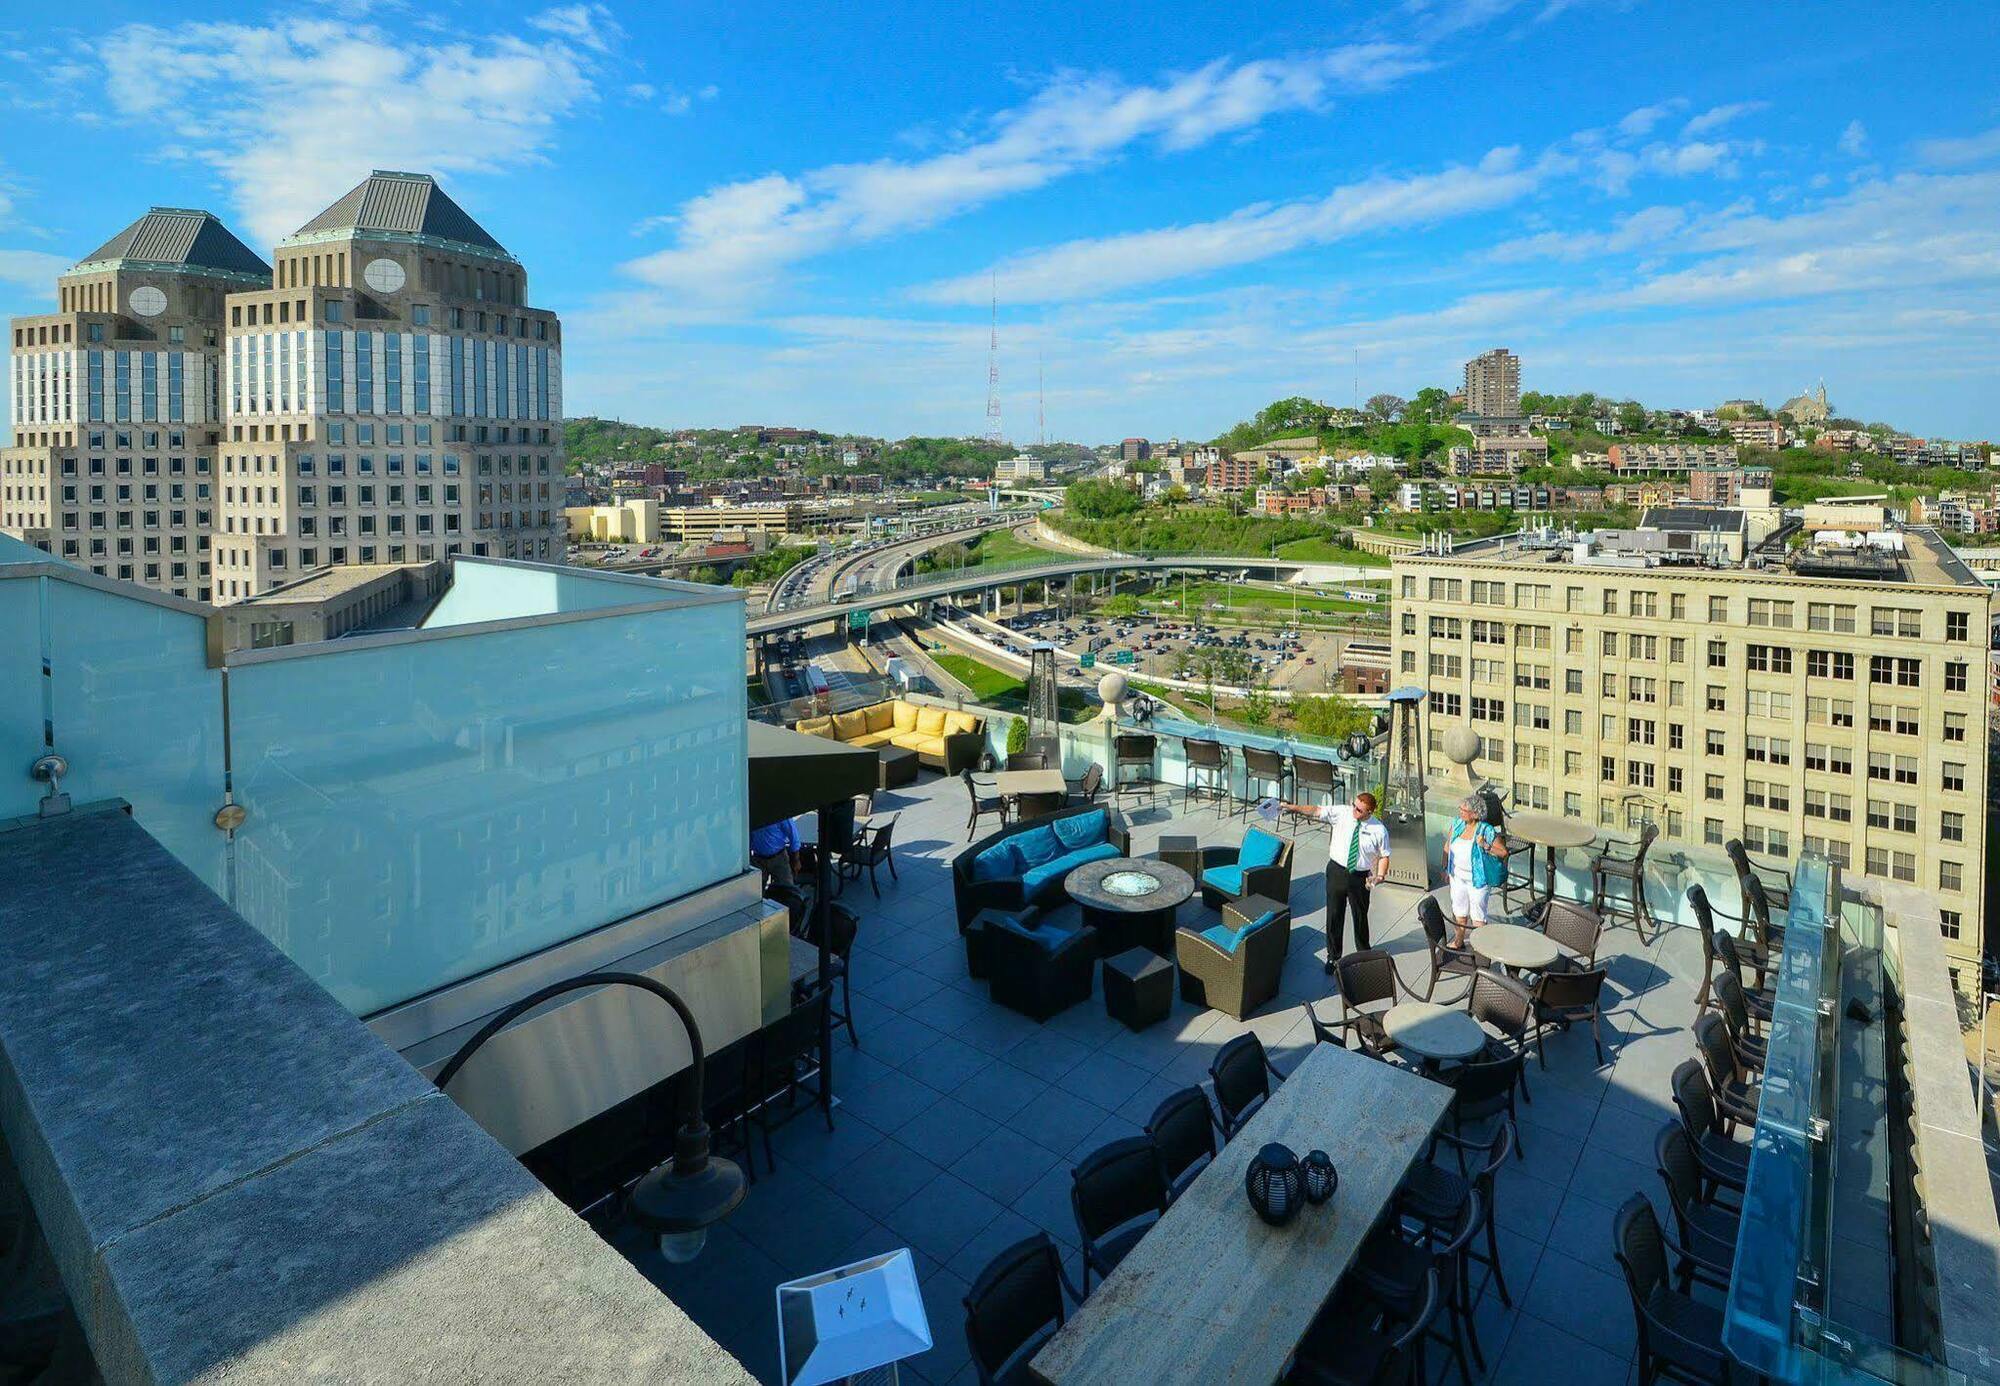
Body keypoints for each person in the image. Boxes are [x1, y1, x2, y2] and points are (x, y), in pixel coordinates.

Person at [1279, 789, 1390, 969]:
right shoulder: (1342, 813)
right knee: (1334, 914)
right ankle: (1334, 956)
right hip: (1337, 871)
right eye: (1354, 806)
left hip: (1360, 877)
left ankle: (1363, 953)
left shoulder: (1379, 830)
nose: (1354, 811)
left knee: (1360, 915)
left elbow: (1384, 855)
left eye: (1359, 810)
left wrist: (1379, 876)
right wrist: (1293, 808)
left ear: (1369, 812)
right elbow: (1316, 810)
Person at [1442, 795, 1509, 949]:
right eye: (1460, 808)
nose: (1461, 812)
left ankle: (1481, 949)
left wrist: (1486, 845)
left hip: (1477, 880)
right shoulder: (1457, 824)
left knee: (1478, 916)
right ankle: (1459, 941)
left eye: (1464, 810)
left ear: (1475, 814)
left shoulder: (1486, 830)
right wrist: (1445, 867)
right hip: (1457, 877)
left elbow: (1503, 852)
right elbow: (1447, 846)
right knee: (1459, 910)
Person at [749, 816, 801, 889]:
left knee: (787, 889)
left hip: (779, 858)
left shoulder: (780, 813)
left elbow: (793, 835)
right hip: (758, 860)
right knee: (755, 891)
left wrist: (796, 860)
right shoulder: (753, 814)